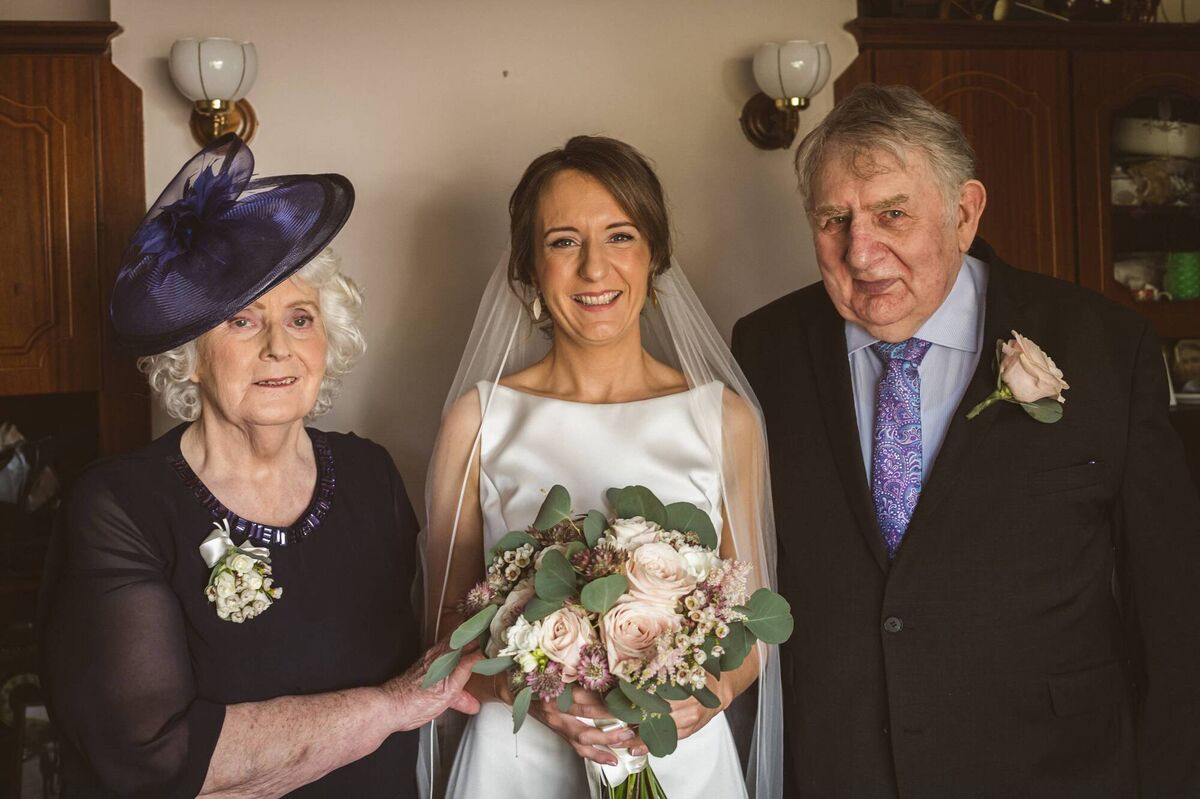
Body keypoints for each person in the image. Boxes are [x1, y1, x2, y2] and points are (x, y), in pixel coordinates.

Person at [732, 83, 1200, 799]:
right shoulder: (764, 350)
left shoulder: (1105, 347)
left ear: (963, 211)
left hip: (1053, 772)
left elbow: (1176, 616)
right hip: (838, 771)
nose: (861, 251)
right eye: (834, 219)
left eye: (893, 212)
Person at [39, 134, 481, 799]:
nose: (279, 346)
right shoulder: (119, 504)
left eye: (300, 318)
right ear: (189, 354)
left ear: (328, 342)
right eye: (243, 321)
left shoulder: (371, 475)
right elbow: (156, 758)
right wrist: (389, 707)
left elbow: (433, 664)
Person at [419, 136, 784, 798]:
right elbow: (446, 635)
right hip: (517, 762)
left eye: (620, 236)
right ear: (530, 266)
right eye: (563, 241)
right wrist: (529, 689)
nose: (594, 268)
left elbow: (753, 625)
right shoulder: (478, 422)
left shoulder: (724, 420)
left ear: (653, 256)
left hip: (682, 759)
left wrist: (711, 693)